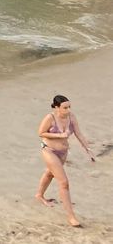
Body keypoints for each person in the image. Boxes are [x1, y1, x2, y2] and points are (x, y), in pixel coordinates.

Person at [36, 94, 97, 227]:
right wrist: (59, 135)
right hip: (49, 151)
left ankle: (39, 195)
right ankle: (71, 217)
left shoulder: (71, 117)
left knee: (50, 173)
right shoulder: (50, 118)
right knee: (64, 183)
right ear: (57, 107)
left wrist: (88, 149)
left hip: (63, 152)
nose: (68, 110)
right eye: (65, 108)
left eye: (69, 107)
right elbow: (40, 133)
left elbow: (78, 133)